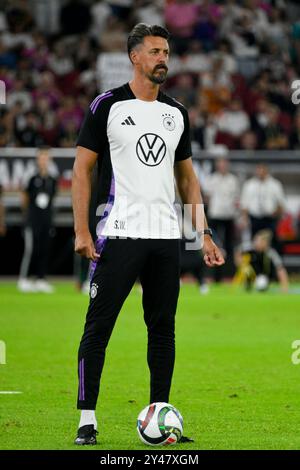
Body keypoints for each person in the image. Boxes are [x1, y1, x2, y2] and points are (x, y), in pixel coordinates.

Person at [72, 23, 224, 446]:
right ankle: (87, 420)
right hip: (116, 234)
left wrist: (203, 232)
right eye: (156, 51)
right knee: (98, 327)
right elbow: (82, 170)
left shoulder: (177, 113)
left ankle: (161, 414)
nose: (163, 59)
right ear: (135, 57)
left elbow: (187, 178)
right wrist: (82, 229)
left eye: (167, 52)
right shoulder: (107, 105)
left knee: (163, 329)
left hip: (164, 238)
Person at [18, 147, 57, 293]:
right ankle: (24, 278)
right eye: (41, 157)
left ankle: (41, 279)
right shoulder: (32, 177)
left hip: (46, 221)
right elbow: (24, 197)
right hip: (32, 220)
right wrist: (27, 216)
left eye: (46, 158)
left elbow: (53, 198)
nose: (44, 161)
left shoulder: (52, 179)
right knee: (31, 249)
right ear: (37, 159)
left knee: (44, 249)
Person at [205, 157, 240, 280]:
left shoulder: (233, 180)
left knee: (229, 246)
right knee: (215, 245)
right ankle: (215, 275)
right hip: (215, 216)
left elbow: (236, 200)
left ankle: (229, 275)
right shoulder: (212, 179)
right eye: (220, 164)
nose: (223, 166)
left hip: (229, 217)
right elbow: (207, 198)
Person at [240, 164, 285, 240]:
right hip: (254, 218)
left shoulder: (275, 184)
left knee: (270, 241)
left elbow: (281, 202)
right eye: (259, 170)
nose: (260, 172)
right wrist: (244, 218)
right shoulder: (249, 184)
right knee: (255, 241)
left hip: (269, 219)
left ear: (266, 171)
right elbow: (244, 203)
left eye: (262, 170)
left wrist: (277, 215)